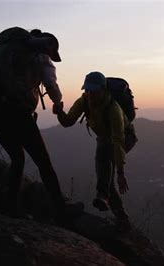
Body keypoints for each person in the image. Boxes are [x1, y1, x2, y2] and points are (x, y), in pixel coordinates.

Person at [0, 28, 83, 218]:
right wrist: (58, 101)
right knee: (44, 164)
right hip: (18, 115)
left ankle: (10, 206)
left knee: (17, 158)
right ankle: (61, 211)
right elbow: (51, 85)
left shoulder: (2, 52)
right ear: (48, 48)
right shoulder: (40, 57)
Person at [53, 71, 131, 231]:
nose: (89, 94)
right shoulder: (84, 101)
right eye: (87, 90)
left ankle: (104, 198)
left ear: (103, 90)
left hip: (124, 138)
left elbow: (118, 141)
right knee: (105, 173)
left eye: (93, 91)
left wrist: (121, 172)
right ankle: (119, 214)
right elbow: (68, 121)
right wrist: (59, 112)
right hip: (104, 138)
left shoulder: (113, 109)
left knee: (104, 160)